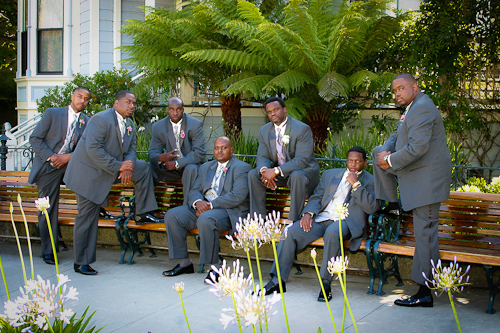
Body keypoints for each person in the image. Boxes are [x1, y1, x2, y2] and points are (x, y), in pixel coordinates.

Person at [373, 73, 452, 307]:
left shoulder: (422, 107)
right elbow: (397, 136)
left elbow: (417, 147)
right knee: (379, 151)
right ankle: (392, 204)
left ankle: (424, 292)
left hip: (426, 182)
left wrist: (391, 160)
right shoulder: (413, 106)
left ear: (414, 87)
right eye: (394, 90)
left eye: (401, 88)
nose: (397, 93)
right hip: (418, 178)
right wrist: (385, 152)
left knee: (426, 237)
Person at [263, 146, 379, 301]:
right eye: (350, 160)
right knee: (288, 232)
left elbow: (371, 207)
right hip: (322, 218)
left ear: (365, 163)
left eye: (358, 161)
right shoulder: (330, 174)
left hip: (346, 221)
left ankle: (326, 283)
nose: (353, 164)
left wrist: (356, 185)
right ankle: (277, 280)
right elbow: (317, 196)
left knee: (332, 233)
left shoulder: (370, 181)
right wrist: (307, 214)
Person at [63, 90, 160, 275]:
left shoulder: (130, 124)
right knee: (87, 219)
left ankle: (142, 213)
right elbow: (94, 150)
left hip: (110, 169)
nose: (132, 106)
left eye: (133, 103)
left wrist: (129, 167)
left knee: (144, 167)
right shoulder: (101, 120)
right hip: (88, 174)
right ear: (116, 103)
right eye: (127, 102)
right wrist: (119, 167)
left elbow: (131, 149)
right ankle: (81, 262)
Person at [162, 136, 251, 283]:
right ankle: (184, 263)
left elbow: (237, 196)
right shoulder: (205, 168)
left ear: (231, 150)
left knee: (206, 219)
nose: (219, 151)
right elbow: (195, 190)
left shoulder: (241, 168)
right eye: (216, 148)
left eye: (224, 148)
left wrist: (209, 206)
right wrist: (198, 203)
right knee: (173, 215)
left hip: (226, 211)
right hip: (203, 208)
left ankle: (215, 268)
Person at [28, 87, 91, 265]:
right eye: (80, 96)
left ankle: (100, 209)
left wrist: (66, 158)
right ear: (72, 96)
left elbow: (86, 147)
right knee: (47, 208)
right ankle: (49, 250)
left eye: (86, 99)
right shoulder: (52, 114)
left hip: (70, 166)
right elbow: (35, 138)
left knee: (88, 188)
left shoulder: (87, 121)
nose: (82, 101)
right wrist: (52, 156)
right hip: (49, 166)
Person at [248, 97, 319, 222]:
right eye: (269, 112)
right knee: (253, 174)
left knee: (297, 175)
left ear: (284, 110)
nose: (273, 113)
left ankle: (293, 221)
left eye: (276, 109)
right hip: (280, 173)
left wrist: (275, 171)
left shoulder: (301, 129)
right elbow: (262, 156)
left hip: (302, 171)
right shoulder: (265, 130)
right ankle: (259, 220)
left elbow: (302, 160)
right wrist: (265, 171)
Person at [148, 97, 206, 204]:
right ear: (168, 110)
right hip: (169, 168)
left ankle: (188, 208)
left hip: (189, 165)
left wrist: (177, 163)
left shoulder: (194, 125)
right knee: (147, 168)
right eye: (171, 109)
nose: (175, 113)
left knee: (191, 169)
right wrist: (161, 157)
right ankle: (149, 210)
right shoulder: (158, 127)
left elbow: (199, 152)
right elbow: (152, 153)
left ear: (183, 109)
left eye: (178, 109)